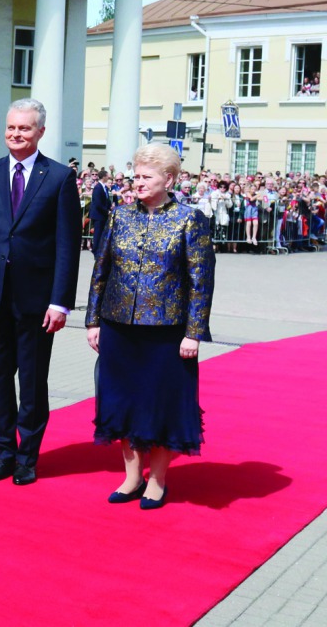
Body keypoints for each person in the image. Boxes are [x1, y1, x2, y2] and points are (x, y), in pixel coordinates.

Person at [86, 144, 214, 510]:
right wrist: (93, 320)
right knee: (122, 402)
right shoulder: (119, 216)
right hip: (119, 326)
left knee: (161, 405)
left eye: (146, 177)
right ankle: (131, 477)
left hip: (167, 332)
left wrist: (194, 331)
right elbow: (101, 271)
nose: (137, 182)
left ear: (169, 179)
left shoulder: (190, 219)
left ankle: (157, 480)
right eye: (135, 176)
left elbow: (201, 280)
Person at [0, 98, 81, 487]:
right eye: (11, 128)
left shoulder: (60, 178)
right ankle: (3, 454)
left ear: (41, 132)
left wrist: (60, 301)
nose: (16, 134)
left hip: (36, 301)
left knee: (31, 382)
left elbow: (67, 244)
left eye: (25, 129)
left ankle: (28, 457)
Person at [89, 169, 111, 254]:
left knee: (102, 233)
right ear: (104, 176)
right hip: (98, 215)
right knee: (98, 233)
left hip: (102, 214)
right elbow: (98, 203)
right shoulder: (98, 187)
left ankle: (100, 249)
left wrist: (110, 206)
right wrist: (106, 211)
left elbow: (106, 199)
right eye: (107, 175)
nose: (108, 177)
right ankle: (96, 251)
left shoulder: (104, 187)